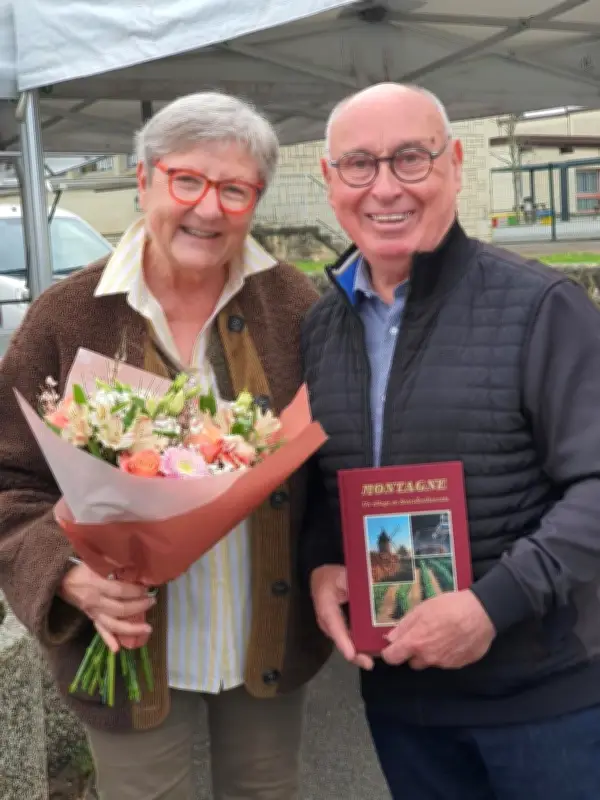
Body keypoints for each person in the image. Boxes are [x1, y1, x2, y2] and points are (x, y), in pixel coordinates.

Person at [0, 91, 331, 800]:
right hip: (125, 649)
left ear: (256, 200)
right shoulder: (66, 316)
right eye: (187, 180)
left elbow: (335, 460)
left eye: (235, 190)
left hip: (265, 639)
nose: (209, 208)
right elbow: (9, 480)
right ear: (145, 178)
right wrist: (67, 575)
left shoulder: (296, 306)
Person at [300, 81, 600, 799]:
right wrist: (321, 563)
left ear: (456, 164)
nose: (385, 188)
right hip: (403, 703)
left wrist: (491, 605)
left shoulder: (541, 306)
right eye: (359, 165)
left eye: (411, 158)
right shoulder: (320, 327)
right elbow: (322, 480)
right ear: (329, 180)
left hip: (543, 700)